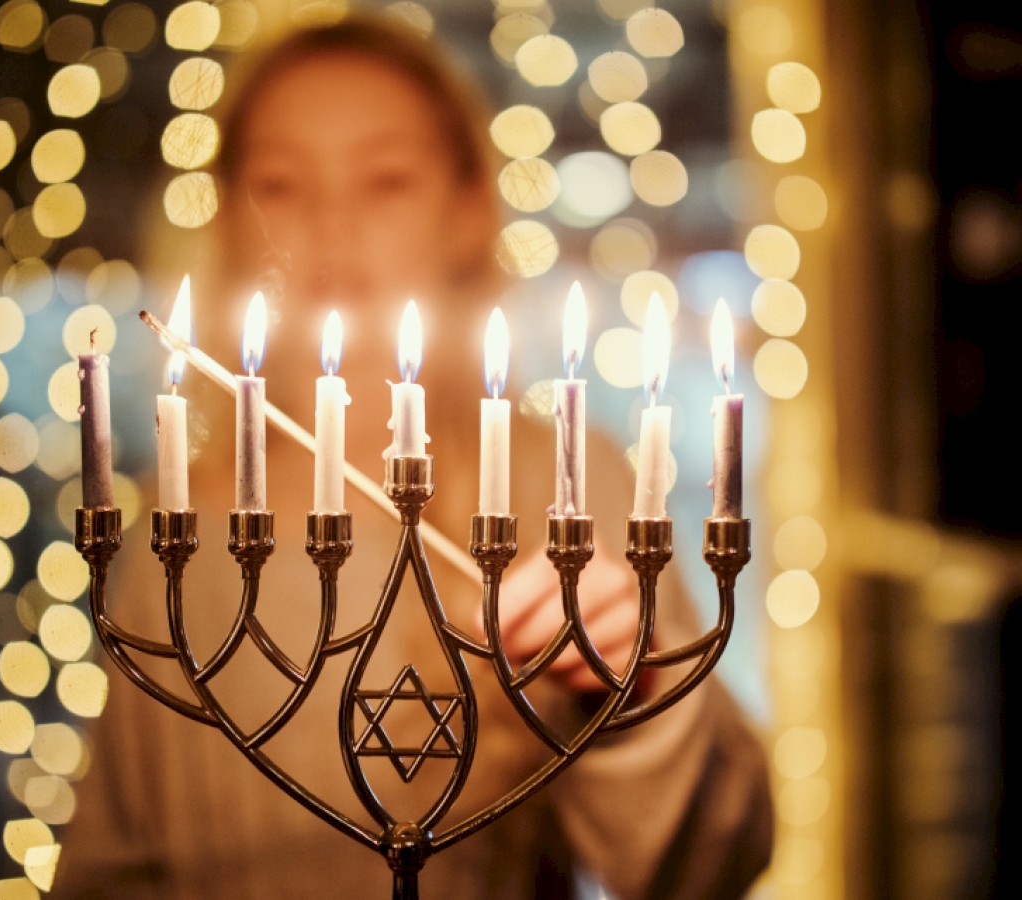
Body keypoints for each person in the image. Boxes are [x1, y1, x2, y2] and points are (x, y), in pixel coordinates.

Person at [55, 14, 772, 899]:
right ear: (232, 219)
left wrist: (633, 686)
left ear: (469, 211)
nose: (332, 225)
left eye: (386, 181)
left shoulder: (566, 490)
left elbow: (716, 861)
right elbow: (107, 873)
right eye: (281, 185)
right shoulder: (181, 538)